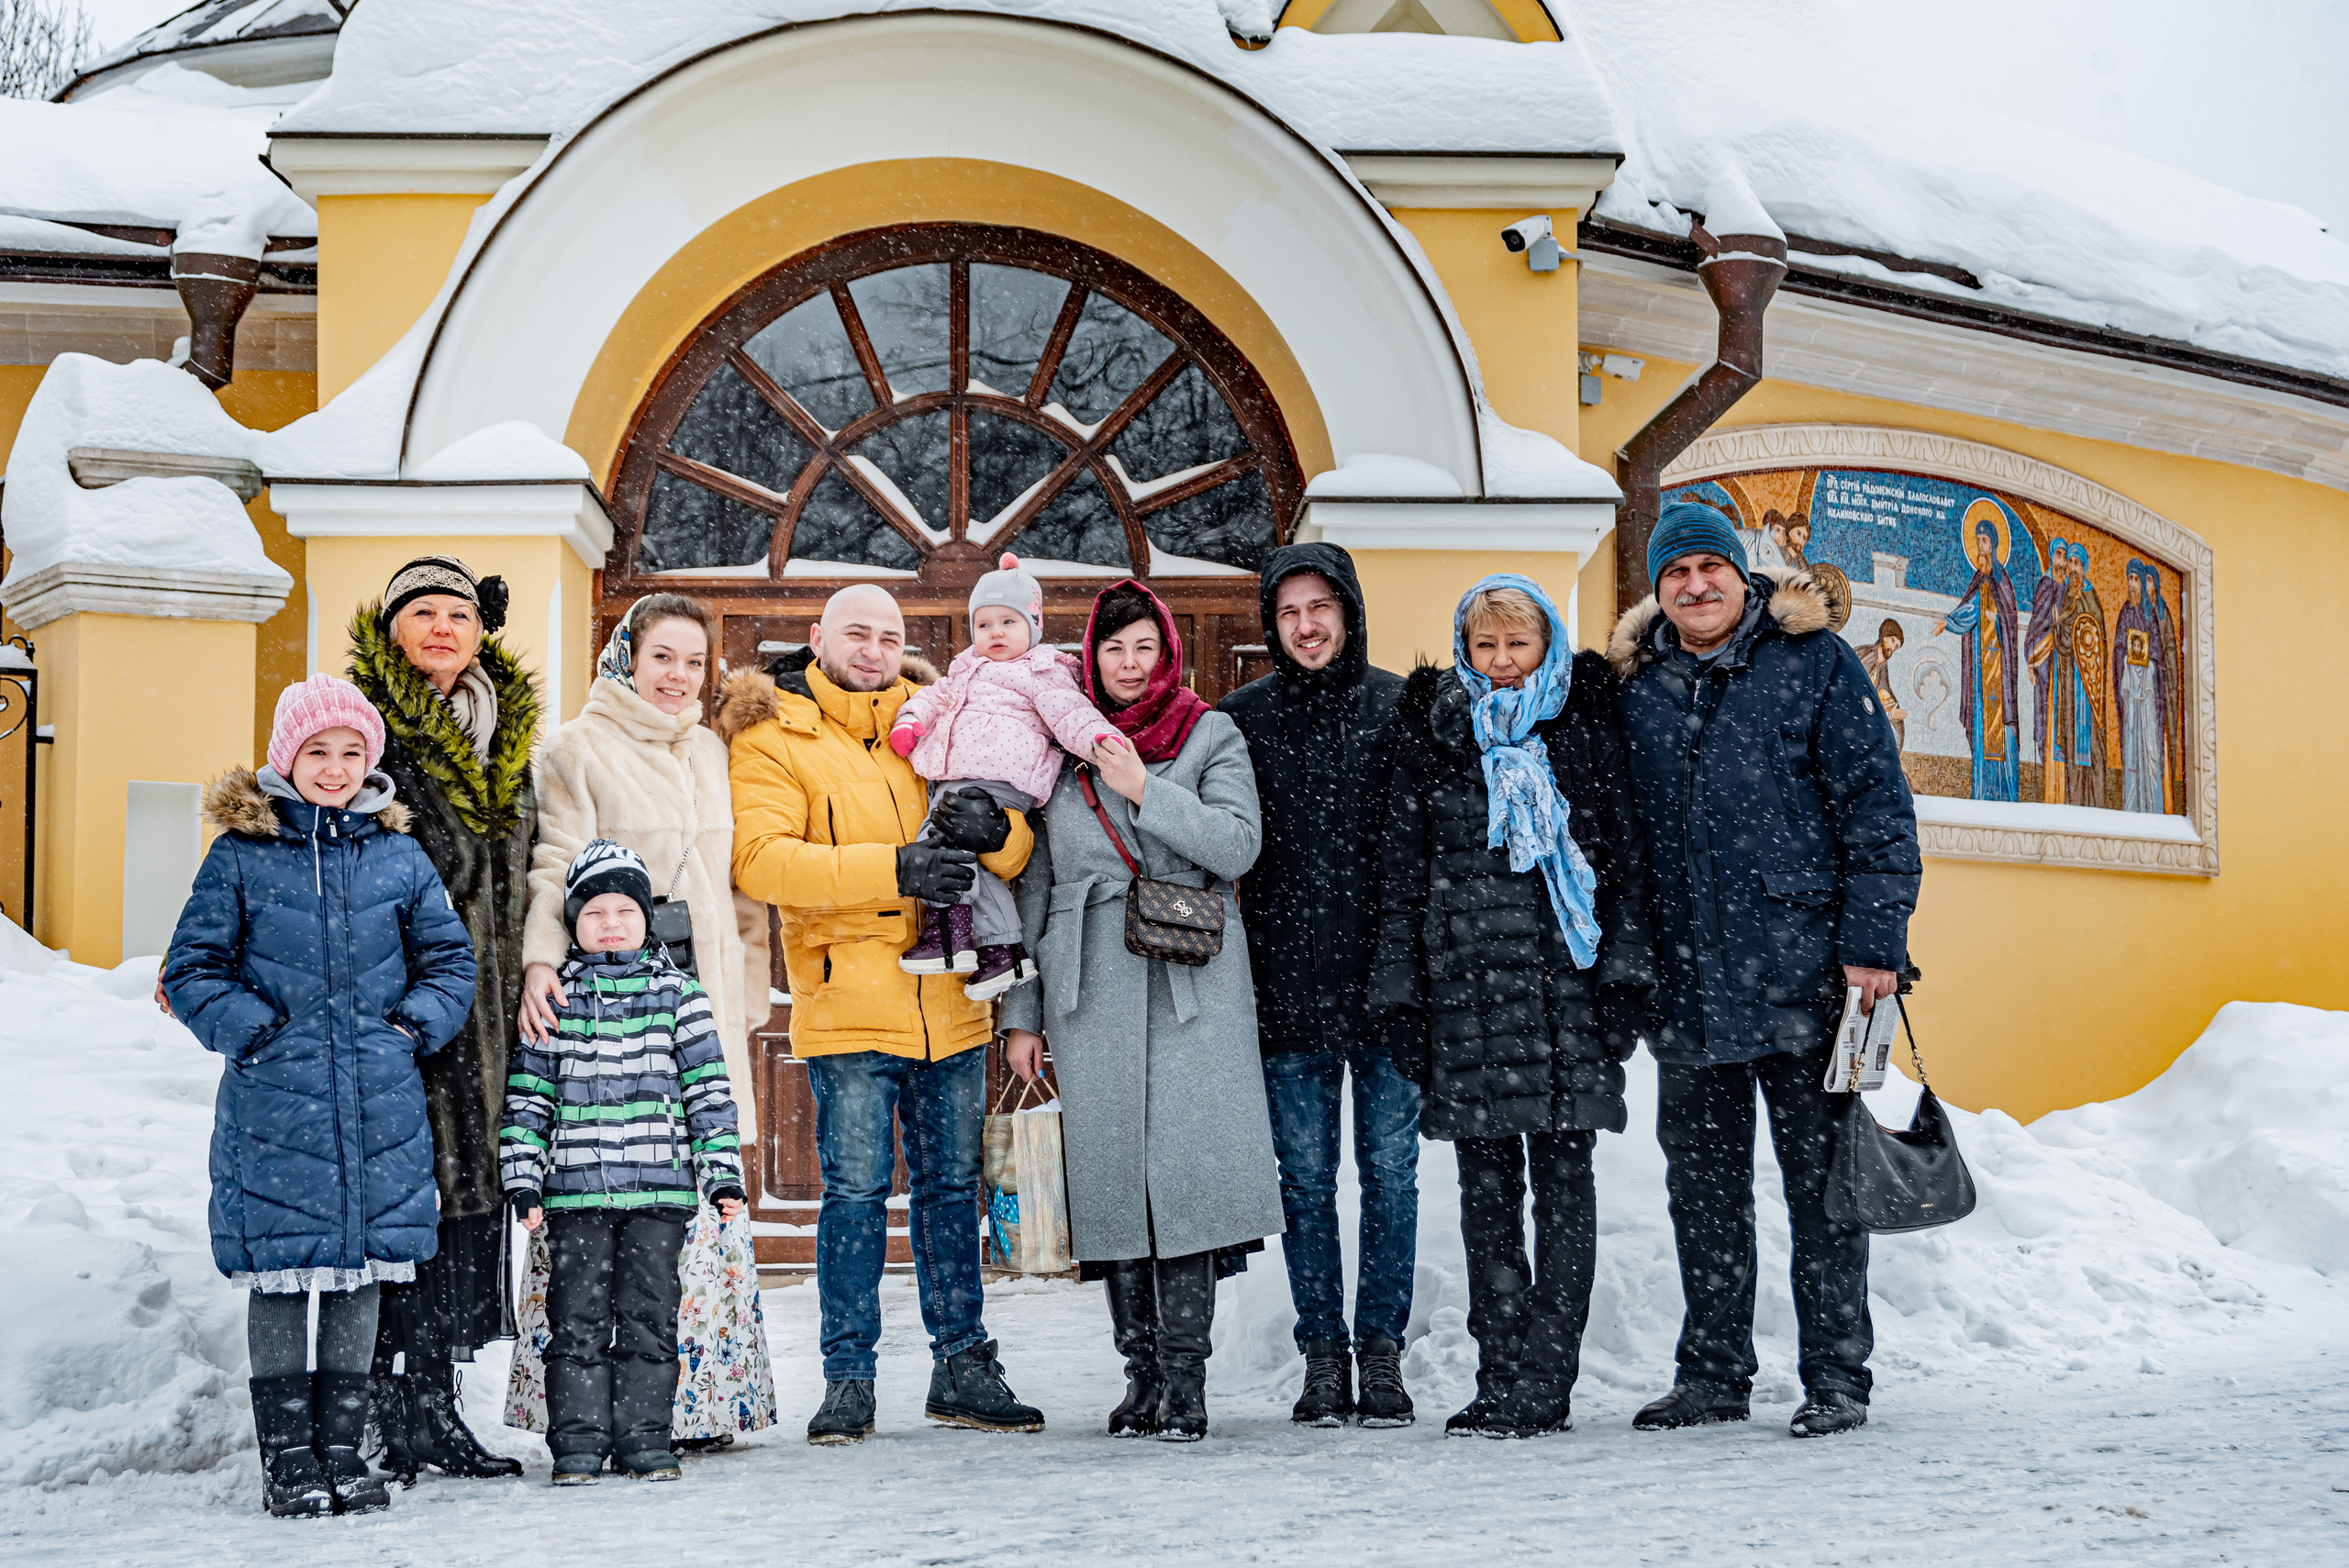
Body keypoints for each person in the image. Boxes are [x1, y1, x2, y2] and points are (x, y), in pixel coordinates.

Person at [1609, 501, 1920, 1440]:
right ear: (1656, 590)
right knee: (1700, 1191)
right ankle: (1711, 1373)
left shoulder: (1814, 663)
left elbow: (1876, 804)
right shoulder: (1636, 683)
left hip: (1807, 975)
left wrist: (1874, 942)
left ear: (1741, 575)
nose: (1695, 585)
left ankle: (1836, 1373)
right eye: (1675, 573)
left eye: (1709, 566)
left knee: (1823, 1186)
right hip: (1688, 982)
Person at [716, 583, 1043, 1444]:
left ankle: (964, 1368)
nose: (873, 648)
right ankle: (848, 1378)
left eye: (889, 635)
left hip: (953, 999)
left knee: (949, 1191)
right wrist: (891, 869)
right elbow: (763, 860)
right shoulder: (774, 734)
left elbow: (1013, 836)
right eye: (856, 632)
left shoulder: (941, 717)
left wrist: (996, 832)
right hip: (850, 1001)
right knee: (856, 1196)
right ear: (818, 636)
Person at [163, 676, 478, 1517]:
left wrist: (410, 1027)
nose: (334, 768)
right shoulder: (240, 853)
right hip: (276, 1105)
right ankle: (288, 1458)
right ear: (286, 758)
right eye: (317, 752)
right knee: (281, 1275)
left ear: (369, 763)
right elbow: (191, 968)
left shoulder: (397, 855)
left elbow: (451, 960)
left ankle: (341, 1447)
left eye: (350, 753)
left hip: (379, 1099)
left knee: (358, 1275)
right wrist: (258, 1033)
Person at [1373, 578, 1656, 1440]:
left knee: (1563, 1188)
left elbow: (1624, 863)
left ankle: (1547, 1376)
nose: (1500, 664)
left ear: (1548, 648)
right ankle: (1499, 1371)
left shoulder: (1582, 734)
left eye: (1517, 645)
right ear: (1465, 650)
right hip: (1466, 1000)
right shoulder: (1432, 740)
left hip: (1561, 994)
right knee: (1485, 1192)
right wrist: (1402, 996)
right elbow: (1400, 876)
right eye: (1485, 646)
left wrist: (1621, 981)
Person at [1001, 580, 1282, 1443]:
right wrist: (1023, 1011)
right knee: (1114, 1177)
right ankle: (1141, 1376)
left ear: (1167, 654)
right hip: (1088, 979)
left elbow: (1239, 843)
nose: (1128, 665)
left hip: (1191, 978)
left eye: (1143, 649)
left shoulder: (1209, 731)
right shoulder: (1062, 740)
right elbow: (1034, 887)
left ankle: (1188, 1380)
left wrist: (1140, 785)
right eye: (1114, 649)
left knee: (1185, 1178)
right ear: (1093, 655)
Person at [508, 594, 776, 1450]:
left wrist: (745, 1000)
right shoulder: (578, 747)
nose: (679, 676)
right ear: (627, 655)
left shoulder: (708, 748)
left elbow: (735, 895)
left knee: (694, 1220)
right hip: (614, 1029)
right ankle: (591, 1421)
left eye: (695, 662)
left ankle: (689, 1409)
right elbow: (555, 865)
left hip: (697, 1012)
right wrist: (542, 959)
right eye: (664, 656)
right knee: (603, 1238)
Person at [1217, 543, 1418, 1428]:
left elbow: (1425, 853)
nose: (1306, 625)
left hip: (1391, 991)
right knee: (1304, 1179)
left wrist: (1412, 969)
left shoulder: (1402, 707)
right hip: (1287, 989)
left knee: (1392, 1173)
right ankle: (1323, 1357)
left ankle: (1382, 1354)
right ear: (1273, 622)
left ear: (1348, 611)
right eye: (1290, 610)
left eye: (1320, 607)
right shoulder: (1240, 721)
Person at [346, 554, 537, 1481]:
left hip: (486, 1018)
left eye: (456, 612)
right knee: (405, 1208)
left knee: (464, 1212)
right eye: (419, 611)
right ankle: (389, 1409)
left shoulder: (504, 732)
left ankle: (436, 1405)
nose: (440, 627)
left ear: (478, 630)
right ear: (392, 631)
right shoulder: (362, 728)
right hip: (403, 1006)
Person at [501, 840, 747, 1485]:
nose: (611, 922)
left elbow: (708, 1092)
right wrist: (523, 1177)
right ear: (574, 923)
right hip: (575, 1195)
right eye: (595, 911)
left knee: (648, 1317)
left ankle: (643, 1437)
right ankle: (578, 1443)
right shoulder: (556, 998)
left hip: (657, 1195)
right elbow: (529, 1098)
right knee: (575, 1321)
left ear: (647, 917)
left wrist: (722, 1171)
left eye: (624, 910)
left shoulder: (679, 995)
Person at [887, 551, 1118, 1000]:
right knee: (960, 858)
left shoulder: (1039, 669)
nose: (995, 633)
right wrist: (910, 722)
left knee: (939, 845)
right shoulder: (965, 668)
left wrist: (1099, 741)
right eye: (984, 624)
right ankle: (1000, 953)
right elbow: (934, 697)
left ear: (1032, 626)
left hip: (998, 779)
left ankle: (951, 938)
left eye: (1008, 623)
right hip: (956, 780)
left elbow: (1069, 713)